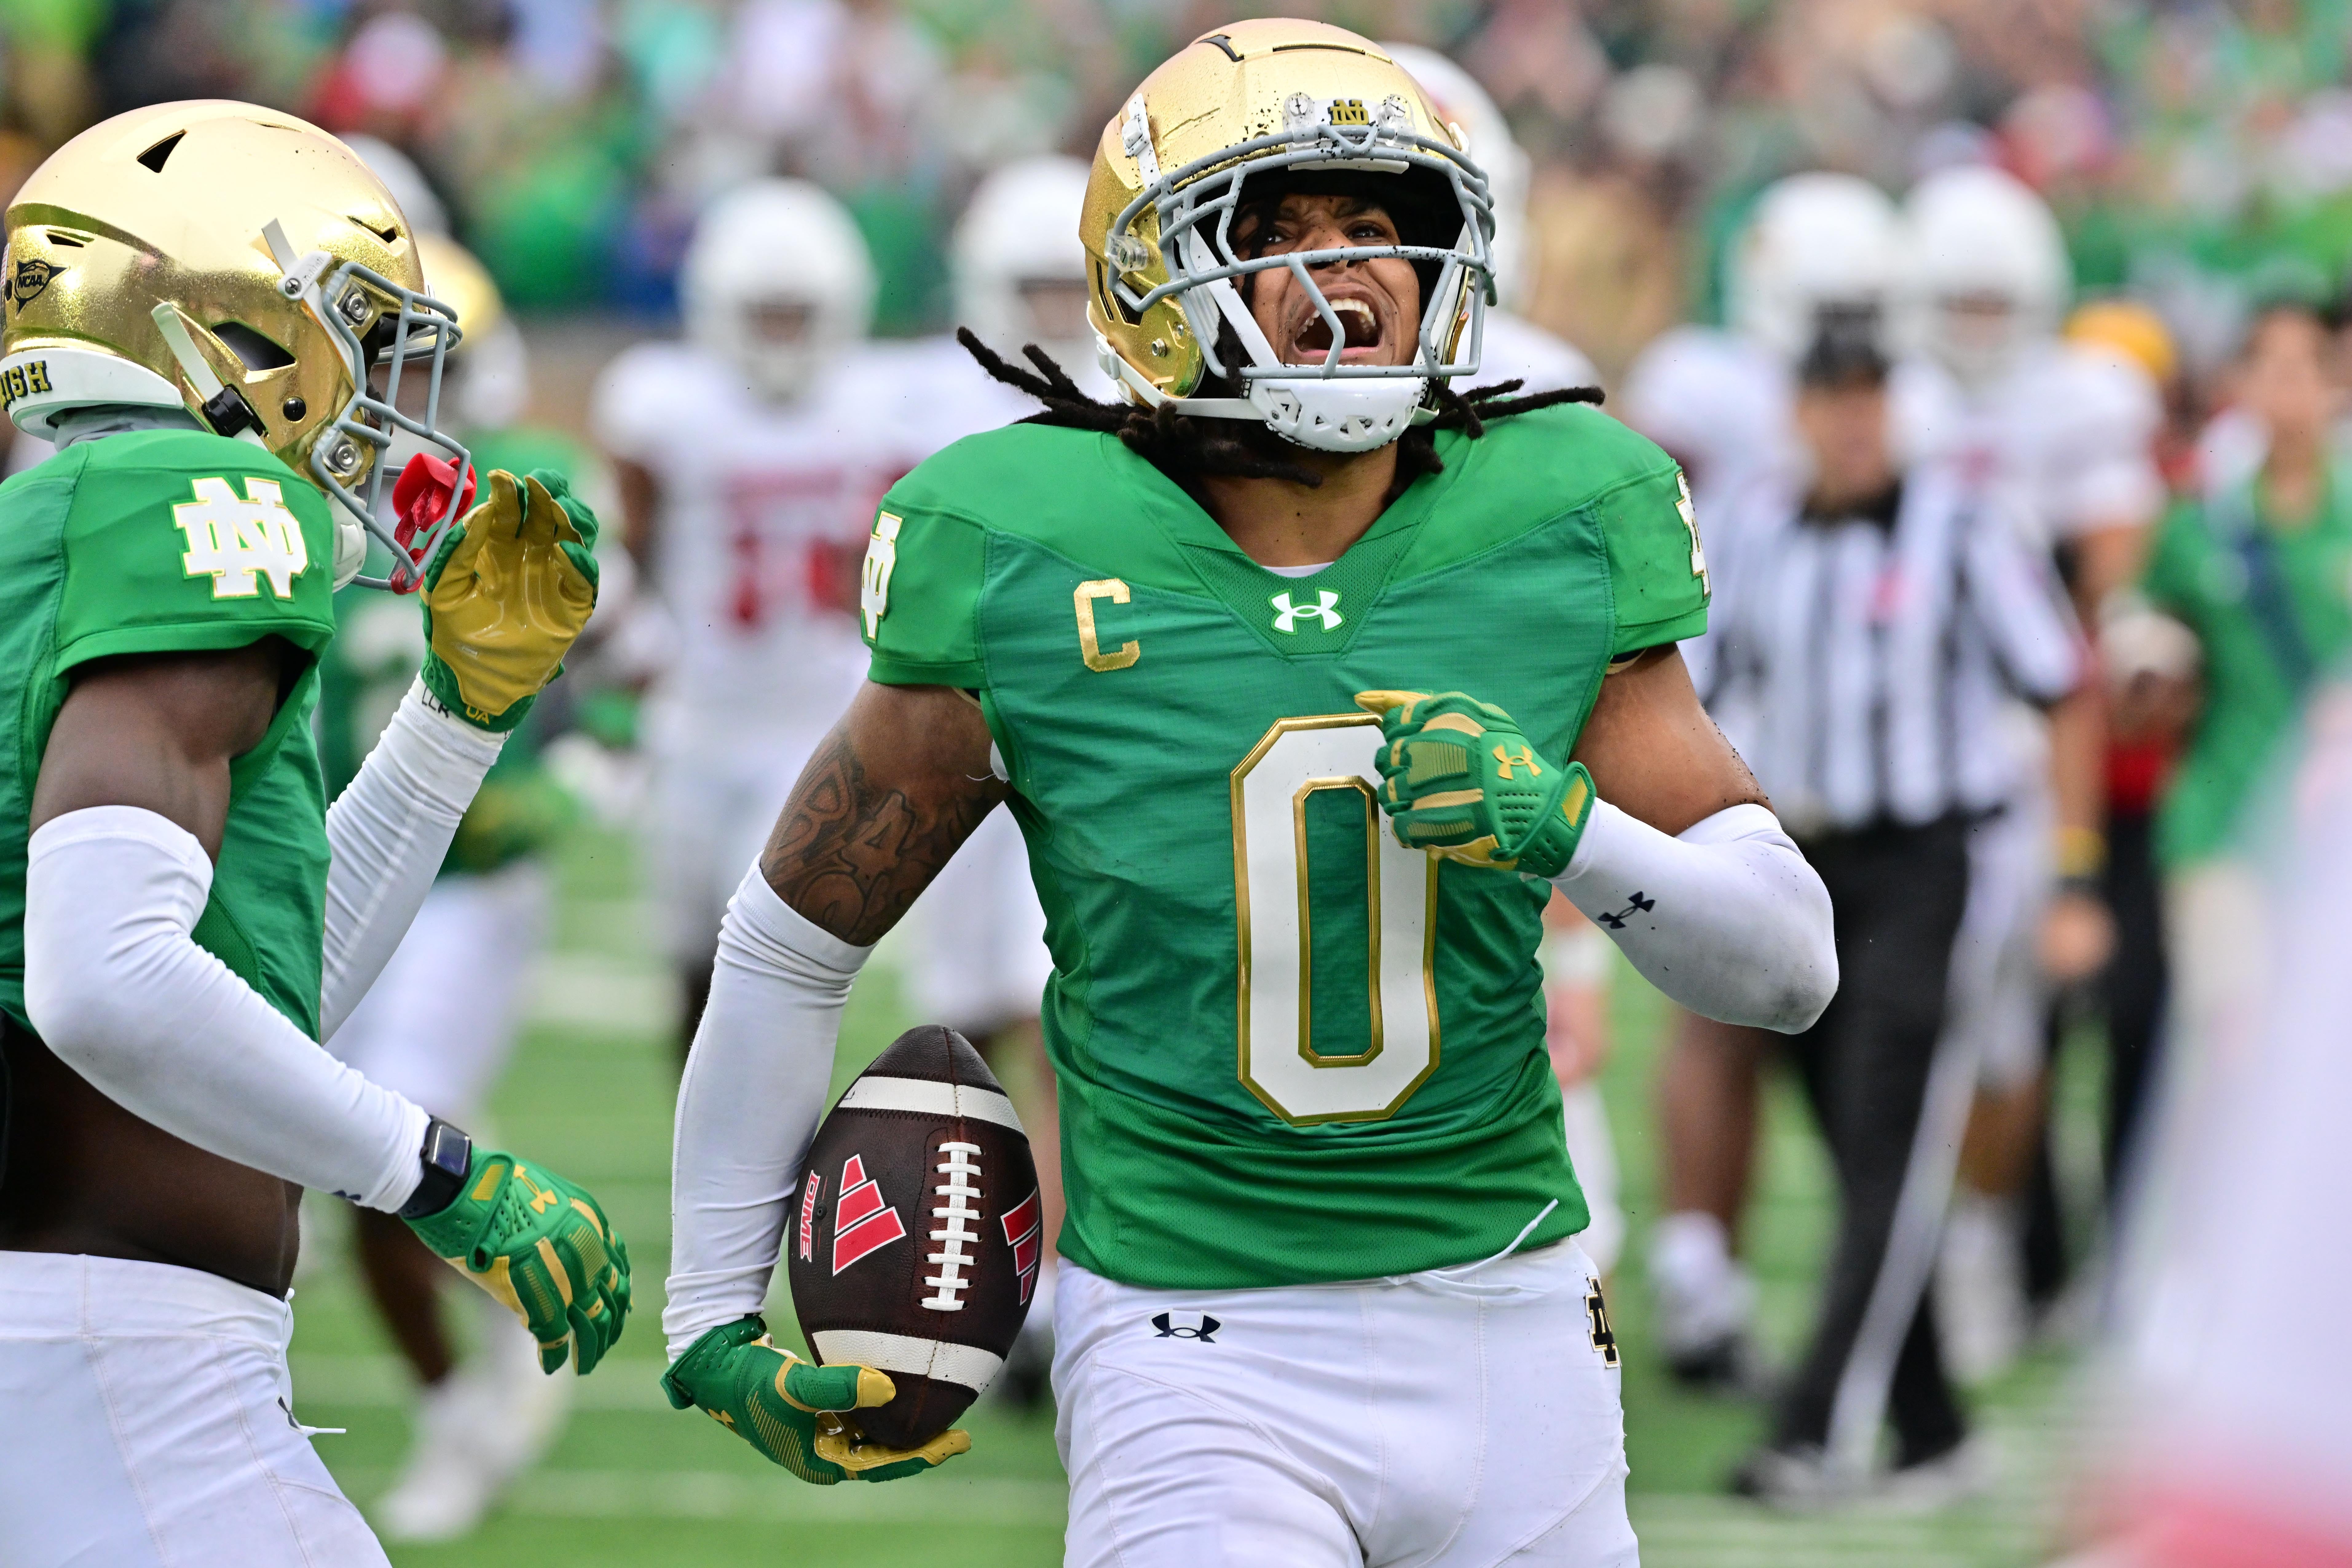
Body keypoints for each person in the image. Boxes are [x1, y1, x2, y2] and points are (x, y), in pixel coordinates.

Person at [661, 20, 1837, 1560]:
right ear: (1152, 278)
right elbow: (787, 940)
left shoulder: (1558, 510)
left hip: (1515, 1317)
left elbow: (1788, 964)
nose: (1341, 271)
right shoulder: (1019, 540)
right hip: (1189, 1342)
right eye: (1274, 231)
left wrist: (1565, 827)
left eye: (1376, 225)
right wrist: (706, 1307)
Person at [0, 102, 628, 1565]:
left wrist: (456, 720)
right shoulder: (194, 490)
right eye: (355, 335)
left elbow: (254, 991)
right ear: (227, 338)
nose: (380, 394)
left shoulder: (51, 514)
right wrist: (434, 1169)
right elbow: (104, 977)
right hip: (112, 1343)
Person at [1699, 318, 2085, 1505]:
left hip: (1925, 865)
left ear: (1894, 407)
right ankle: (1932, 1430)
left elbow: (2060, 683)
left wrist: (2073, 869)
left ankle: (1816, 1427)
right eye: (1832, 397)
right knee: (1854, 1142)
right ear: (1798, 412)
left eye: (1868, 396)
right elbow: (1699, 691)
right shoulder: (1754, 525)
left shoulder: (1963, 521)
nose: (1852, 419)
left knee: (1891, 1143)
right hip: (1804, 869)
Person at [316, 234, 601, 1539]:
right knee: (337, 1158)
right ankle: (476, 1344)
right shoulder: (295, 494)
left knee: (386, 1141)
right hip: (331, 860)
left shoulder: (523, 487)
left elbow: (623, 652)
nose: (403, 395)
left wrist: (589, 766)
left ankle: (458, 1404)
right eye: (385, 365)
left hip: (474, 875)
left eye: (426, 364)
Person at [1622, 170, 1903, 1385]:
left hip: (1882, 775)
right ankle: (1699, 1275)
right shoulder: (1698, 385)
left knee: (1876, 1049)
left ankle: (1900, 1286)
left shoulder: (1911, 401)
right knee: (1714, 1018)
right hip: (1732, 739)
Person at [1893, 164, 2160, 1380]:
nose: (1977, 328)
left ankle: (1999, 1252)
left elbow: (2100, 608)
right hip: (1913, 754)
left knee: (2019, 1030)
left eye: (1995, 302)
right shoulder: (1888, 400)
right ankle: (1961, 1251)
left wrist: (2075, 854)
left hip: (2028, 752)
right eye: (1959, 301)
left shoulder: (2078, 401)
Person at [592, 179, 920, 1063]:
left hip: (819, 724)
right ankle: (703, 1135)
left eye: (797, 314)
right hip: (696, 718)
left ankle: (769, 1135)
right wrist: (624, 678)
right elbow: (624, 549)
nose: (782, 335)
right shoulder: (666, 403)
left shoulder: (882, 404)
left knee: (771, 959)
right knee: (691, 963)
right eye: (765, 315)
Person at [2136, 299, 2352, 1076]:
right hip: (2224, 814)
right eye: (2269, 368)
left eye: (2304, 369)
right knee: (2234, 1046)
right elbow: (2139, 651)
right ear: (2240, 383)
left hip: (2330, 832)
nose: (2287, 388)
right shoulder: (2198, 525)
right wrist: (2152, 681)